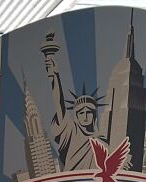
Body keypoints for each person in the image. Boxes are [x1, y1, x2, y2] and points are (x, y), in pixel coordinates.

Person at [43, 43, 106, 171]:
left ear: (94, 116)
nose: (85, 116)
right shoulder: (70, 130)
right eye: (81, 113)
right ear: (76, 116)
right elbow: (59, 102)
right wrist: (54, 76)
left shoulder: (101, 140)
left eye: (89, 112)